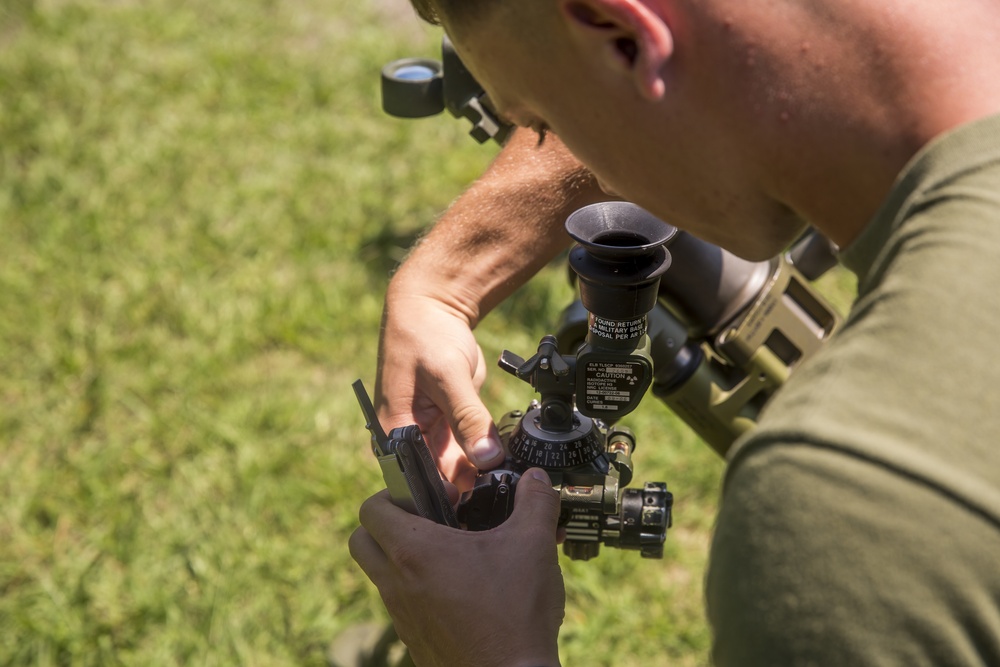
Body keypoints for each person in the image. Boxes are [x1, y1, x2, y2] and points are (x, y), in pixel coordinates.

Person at [348, 0, 1000, 665]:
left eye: (542, 121)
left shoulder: (850, 503)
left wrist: (496, 652)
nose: (576, 163)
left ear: (624, 35)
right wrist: (446, 280)